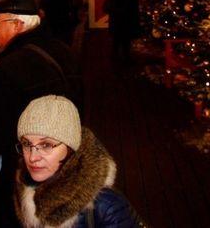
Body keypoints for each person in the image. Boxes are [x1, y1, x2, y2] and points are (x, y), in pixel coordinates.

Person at [0, 0, 83, 228]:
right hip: (64, 160)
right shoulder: (64, 51)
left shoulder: (8, 68)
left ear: (17, 25)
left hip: (25, 170)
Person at [14, 96, 141, 227]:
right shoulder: (22, 190)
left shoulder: (107, 206)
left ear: (71, 148)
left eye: (46, 145)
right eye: (26, 143)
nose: (32, 157)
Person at [107, 0, 146, 64]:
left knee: (117, 34)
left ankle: (114, 54)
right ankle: (126, 56)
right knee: (127, 35)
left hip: (116, 9)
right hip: (130, 9)